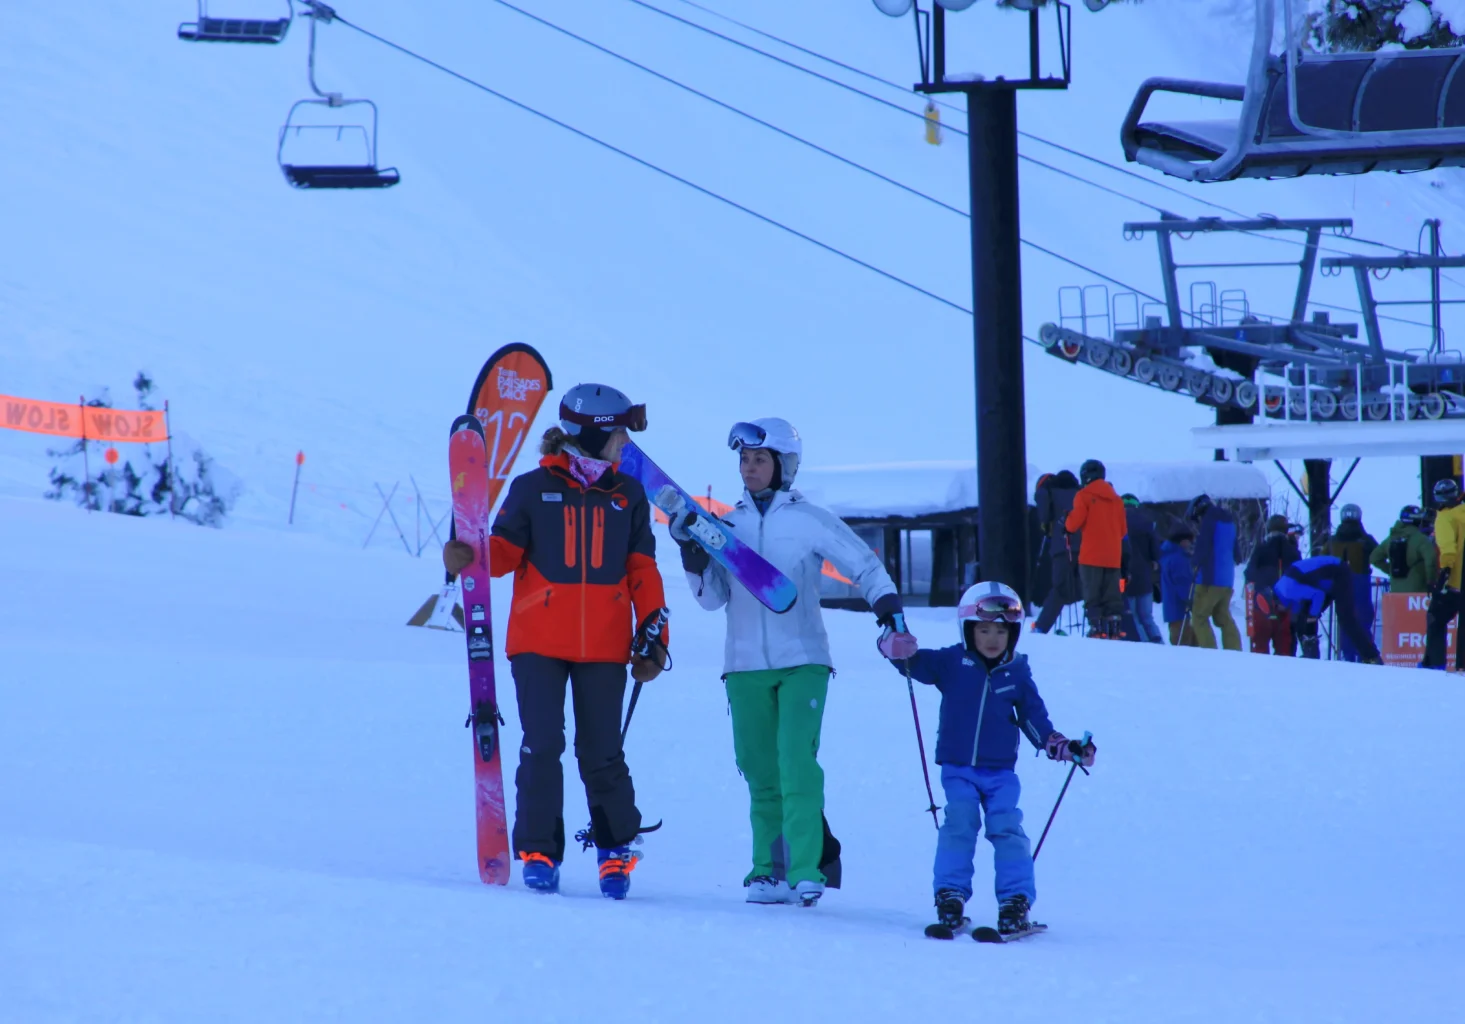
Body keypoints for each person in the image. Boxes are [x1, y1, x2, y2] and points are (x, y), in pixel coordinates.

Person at [442, 384, 669, 899]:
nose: (623, 445)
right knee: (541, 745)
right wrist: (466, 553)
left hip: (606, 647)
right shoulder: (531, 488)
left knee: (602, 751)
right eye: (618, 435)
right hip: (538, 641)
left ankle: (615, 852)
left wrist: (654, 634)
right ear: (593, 434)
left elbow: (643, 572)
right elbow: (499, 555)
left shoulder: (627, 496)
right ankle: (539, 851)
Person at [672, 418, 910, 907]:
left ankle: (805, 869)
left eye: (760, 459)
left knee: (796, 763)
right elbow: (712, 599)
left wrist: (888, 610)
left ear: (785, 466)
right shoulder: (726, 525)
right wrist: (691, 555)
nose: (750, 468)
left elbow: (862, 564)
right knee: (759, 770)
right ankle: (768, 871)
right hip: (742, 666)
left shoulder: (808, 519)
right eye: (744, 459)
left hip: (803, 659)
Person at [884, 582, 1095, 937]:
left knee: (1007, 828)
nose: (992, 638)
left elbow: (1035, 718)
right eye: (984, 630)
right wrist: (895, 647)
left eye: (1001, 630)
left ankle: (1015, 901)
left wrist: (1060, 745)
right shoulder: (953, 662)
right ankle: (950, 895)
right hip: (958, 768)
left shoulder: (1016, 672)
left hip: (1000, 772)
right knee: (960, 820)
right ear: (969, 630)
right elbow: (915, 664)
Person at [1274, 554, 1382, 663]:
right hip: (1325, 580)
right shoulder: (1283, 589)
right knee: (1305, 616)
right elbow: (1297, 614)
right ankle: (1311, 655)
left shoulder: (1287, 590)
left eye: (1278, 610)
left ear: (1277, 603)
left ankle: (1372, 656)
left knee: (1346, 619)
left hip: (1338, 573)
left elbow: (1318, 595)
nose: (1281, 612)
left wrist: (1312, 615)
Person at [1064, 459, 1128, 638]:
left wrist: (1066, 520)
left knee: (1092, 595)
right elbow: (1123, 531)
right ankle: (1114, 629)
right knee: (1112, 596)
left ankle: (1096, 628)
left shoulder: (1083, 495)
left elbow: (1073, 524)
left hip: (1091, 556)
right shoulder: (1117, 500)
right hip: (1113, 557)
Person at [1186, 494, 1242, 651]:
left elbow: (1203, 547)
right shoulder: (1229, 520)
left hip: (1210, 580)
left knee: (1199, 617)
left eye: (1196, 518)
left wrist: (1194, 562)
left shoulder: (1209, 520)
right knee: (1222, 617)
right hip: (1227, 579)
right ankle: (1235, 651)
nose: (1198, 522)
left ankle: (1209, 654)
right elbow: (1237, 552)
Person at [1326, 503, 1380, 662]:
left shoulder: (1332, 541)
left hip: (1338, 584)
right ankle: (1366, 654)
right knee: (1363, 618)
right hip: (1360, 582)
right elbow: (1378, 555)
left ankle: (1347, 655)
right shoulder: (1365, 539)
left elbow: (1321, 558)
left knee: (1345, 618)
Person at [1032, 470, 1083, 634]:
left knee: (1059, 588)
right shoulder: (1081, 492)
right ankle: (1098, 627)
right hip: (1086, 547)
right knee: (1088, 586)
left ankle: (1041, 627)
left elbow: (1045, 518)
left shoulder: (1046, 492)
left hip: (1062, 546)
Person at [1423, 478, 1465, 671]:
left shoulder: (1445, 517)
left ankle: (1435, 664)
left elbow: (1448, 549)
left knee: (1435, 619)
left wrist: (1443, 576)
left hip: (1455, 581)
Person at [1245, 514, 1301, 656]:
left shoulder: (1261, 549)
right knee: (1284, 648)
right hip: (1286, 604)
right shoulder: (1293, 551)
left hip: (1263, 603)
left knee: (1260, 647)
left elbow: (1249, 574)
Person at [1121, 493, 1162, 644]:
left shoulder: (1118, 520)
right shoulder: (1147, 521)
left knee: (1133, 617)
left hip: (1126, 575)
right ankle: (1158, 642)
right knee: (1147, 616)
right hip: (1145, 577)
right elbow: (1156, 551)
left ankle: (1144, 647)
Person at [1369, 504, 1437, 595]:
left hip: (1396, 592)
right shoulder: (1421, 539)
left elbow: (1374, 558)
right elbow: (1431, 561)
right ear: (1418, 520)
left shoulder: (1390, 539)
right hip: (1419, 593)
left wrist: (1391, 570)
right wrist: (1431, 581)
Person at [1159, 527, 1198, 646]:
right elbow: (1183, 584)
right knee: (1185, 644)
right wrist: (1191, 600)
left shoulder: (1168, 556)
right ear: (1182, 541)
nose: (1190, 544)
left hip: (1172, 610)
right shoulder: (1179, 560)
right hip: (1181, 611)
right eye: (1189, 541)